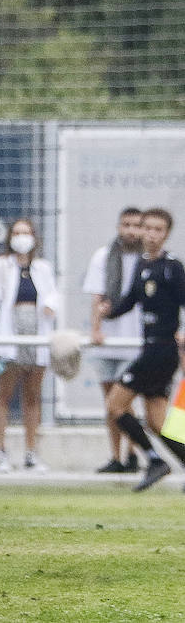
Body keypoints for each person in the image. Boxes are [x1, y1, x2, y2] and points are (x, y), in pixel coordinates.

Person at [96, 207, 185, 492]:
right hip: (151, 349)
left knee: (115, 405)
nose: (151, 234)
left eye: (158, 230)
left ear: (166, 234)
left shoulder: (172, 267)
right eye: (148, 228)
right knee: (158, 423)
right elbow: (131, 300)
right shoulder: (143, 265)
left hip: (161, 351)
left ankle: (154, 460)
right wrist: (108, 312)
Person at [0, 218, 60, 473]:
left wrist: (51, 306)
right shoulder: (1, 265)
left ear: (34, 237)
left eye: (25, 232)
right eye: (16, 232)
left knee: (32, 395)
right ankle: (1, 452)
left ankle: (31, 452)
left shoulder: (43, 268)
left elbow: (51, 297)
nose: (21, 237)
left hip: (36, 335)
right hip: (9, 337)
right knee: (3, 393)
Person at [81, 207, 146, 473]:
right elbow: (97, 297)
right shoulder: (104, 255)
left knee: (126, 402)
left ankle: (133, 453)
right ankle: (116, 456)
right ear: (119, 226)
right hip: (109, 340)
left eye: (136, 225)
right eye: (126, 224)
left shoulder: (148, 259)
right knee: (110, 403)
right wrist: (96, 329)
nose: (131, 230)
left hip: (136, 341)